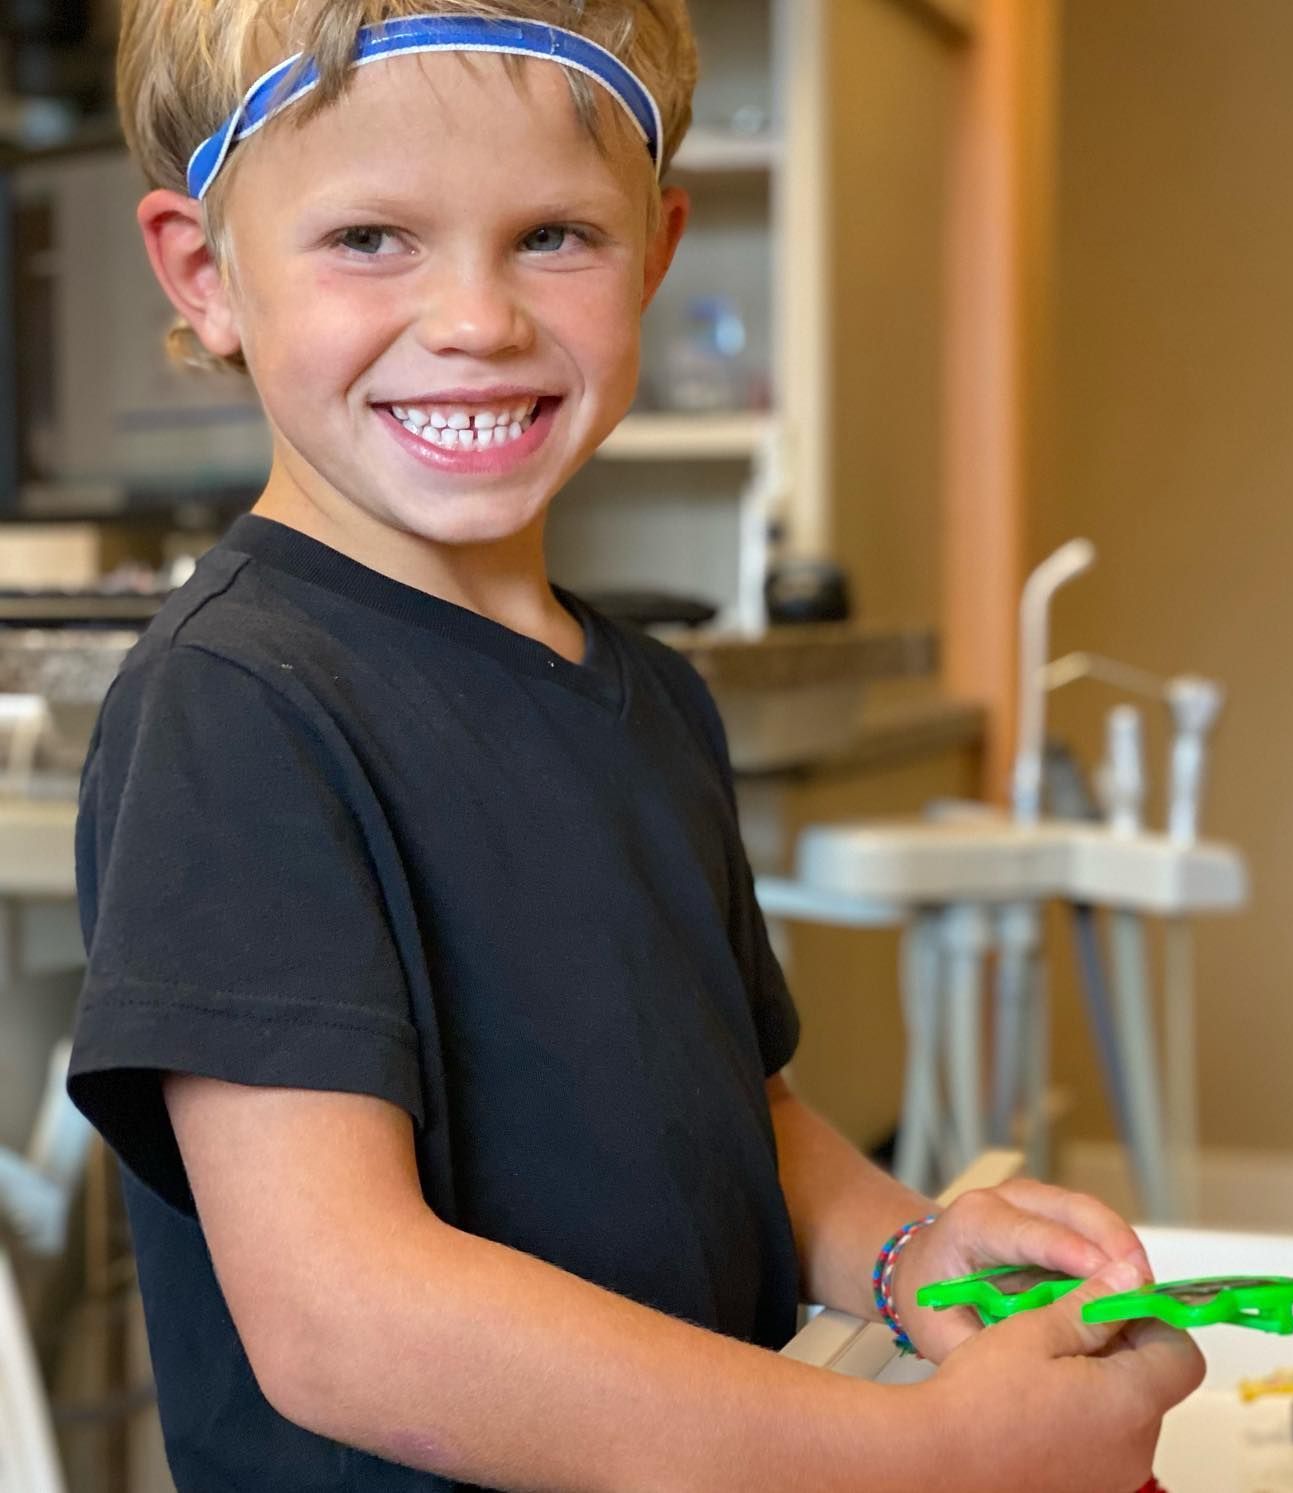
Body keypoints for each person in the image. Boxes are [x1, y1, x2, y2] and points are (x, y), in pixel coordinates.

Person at [67, 4, 1204, 1489]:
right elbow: (344, 1317)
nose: (478, 318)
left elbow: (746, 1115)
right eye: (369, 240)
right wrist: (920, 1454)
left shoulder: (656, 698)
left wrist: (905, 1250)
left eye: (554, 236)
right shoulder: (235, 709)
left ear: (656, 252)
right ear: (208, 275)